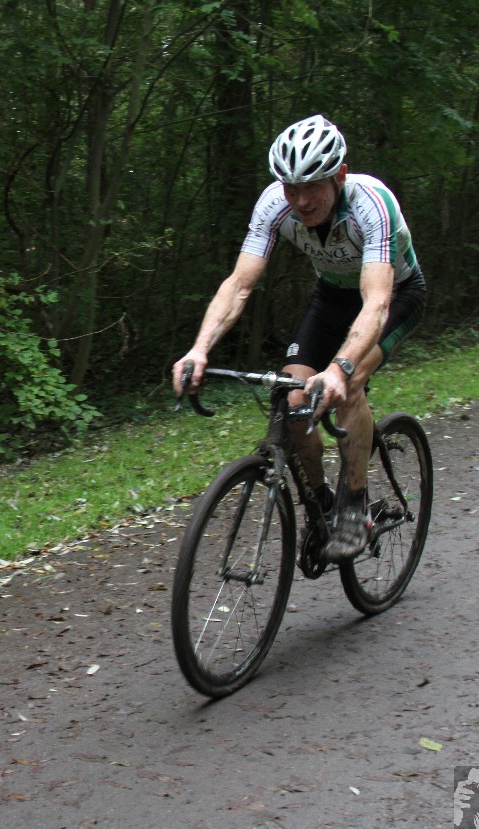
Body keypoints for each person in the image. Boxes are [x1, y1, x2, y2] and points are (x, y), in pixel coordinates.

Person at [172, 114, 427, 562]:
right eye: (292, 188)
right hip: (332, 296)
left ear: (339, 176)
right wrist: (200, 347)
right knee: (294, 401)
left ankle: (354, 505)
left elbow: (376, 303)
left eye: (312, 187)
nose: (301, 201)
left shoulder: (372, 204)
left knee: (348, 386)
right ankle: (322, 501)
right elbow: (239, 285)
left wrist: (339, 369)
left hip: (394, 295)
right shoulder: (274, 204)